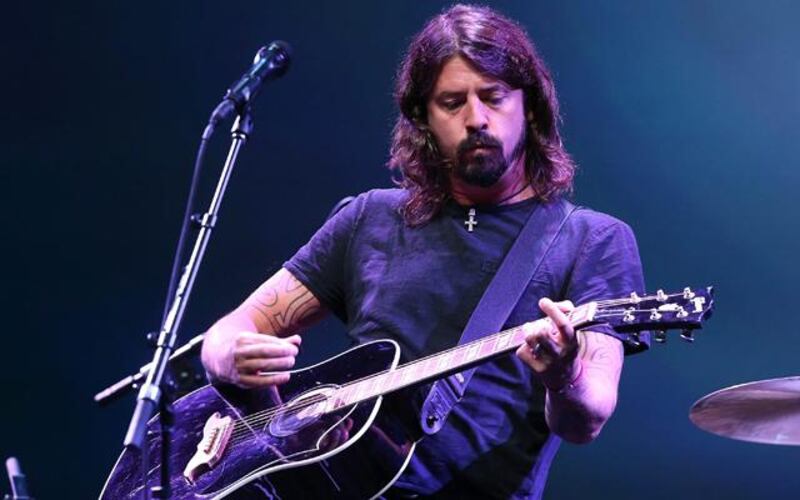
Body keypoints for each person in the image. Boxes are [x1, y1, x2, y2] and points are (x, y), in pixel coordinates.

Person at [201, 4, 647, 499]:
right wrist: (224, 356)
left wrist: (564, 375)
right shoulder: (369, 217)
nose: (476, 118)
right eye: (452, 103)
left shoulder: (592, 240)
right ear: (423, 119)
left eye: (494, 97)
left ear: (531, 106)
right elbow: (229, 332)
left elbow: (587, 420)